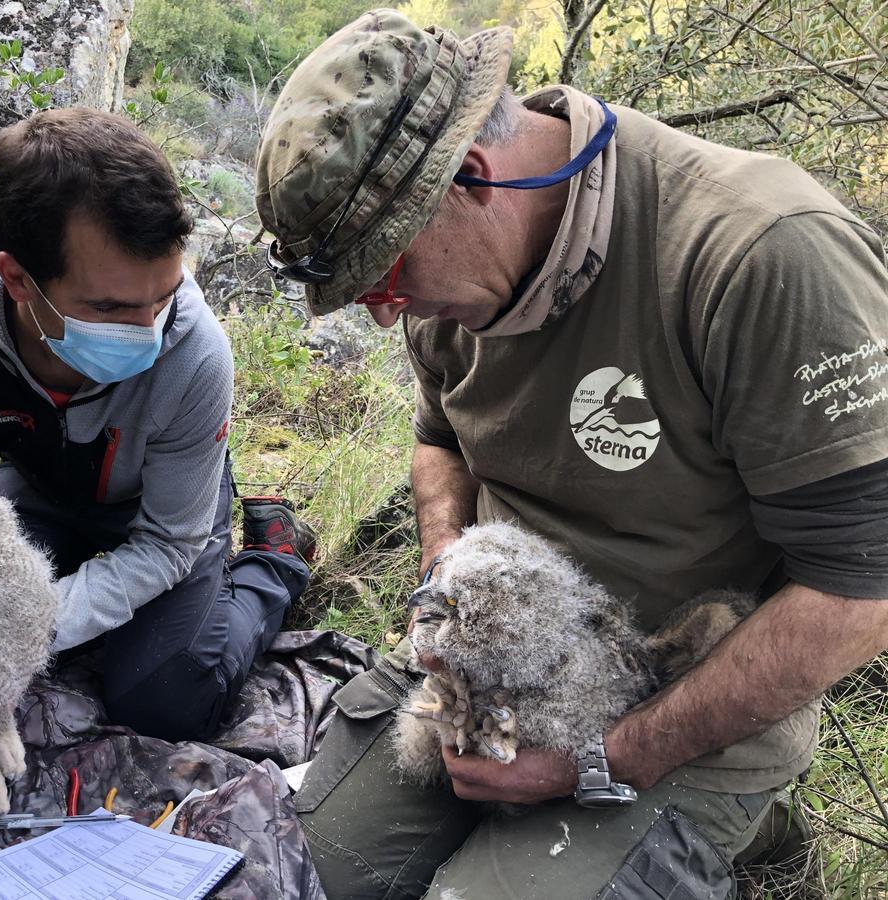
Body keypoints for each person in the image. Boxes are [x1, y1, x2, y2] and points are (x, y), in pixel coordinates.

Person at [254, 9, 888, 898]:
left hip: (675, 692)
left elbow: (860, 590)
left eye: (386, 275)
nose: (387, 313)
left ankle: (751, 831)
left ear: (470, 177)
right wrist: (448, 580)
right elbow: (441, 439)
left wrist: (595, 761)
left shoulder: (758, 256)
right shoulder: (452, 288)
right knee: (297, 877)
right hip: (496, 657)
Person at [0, 107, 314, 743]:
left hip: (164, 506)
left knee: (165, 701)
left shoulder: (195, 355)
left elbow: (169, 542)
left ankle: (273, 561)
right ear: (19, 280)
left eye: (163, 296)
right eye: (108, 306)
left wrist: (36, 621)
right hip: (40, 493)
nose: (147, 333)